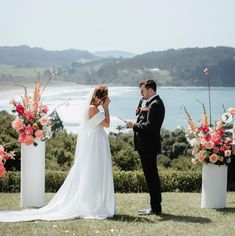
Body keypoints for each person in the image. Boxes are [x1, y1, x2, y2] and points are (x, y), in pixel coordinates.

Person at [0, 85, 115, 222]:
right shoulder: (92, 108)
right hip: (95, 143)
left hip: (99, 141)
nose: (107, 98)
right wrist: (106, 108)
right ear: (100, 96)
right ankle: (92, 204)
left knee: (98, 171)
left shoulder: (95, 108)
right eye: (106, 96)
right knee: (93, 171)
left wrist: (104, 107)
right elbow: (107, 123)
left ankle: (98, 202)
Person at [126, 79, 165, 215]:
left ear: (150, 90)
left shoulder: (155, 104)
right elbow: (147, 121)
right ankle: (155, 207)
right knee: (151, 176)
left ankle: (155, 208)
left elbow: (151, 127)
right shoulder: (151, 103)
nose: (141, 94)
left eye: (142, 91)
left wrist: (133, 125)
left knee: (151, 177)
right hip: (146, 146)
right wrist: (141, 111)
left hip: (148, 147)